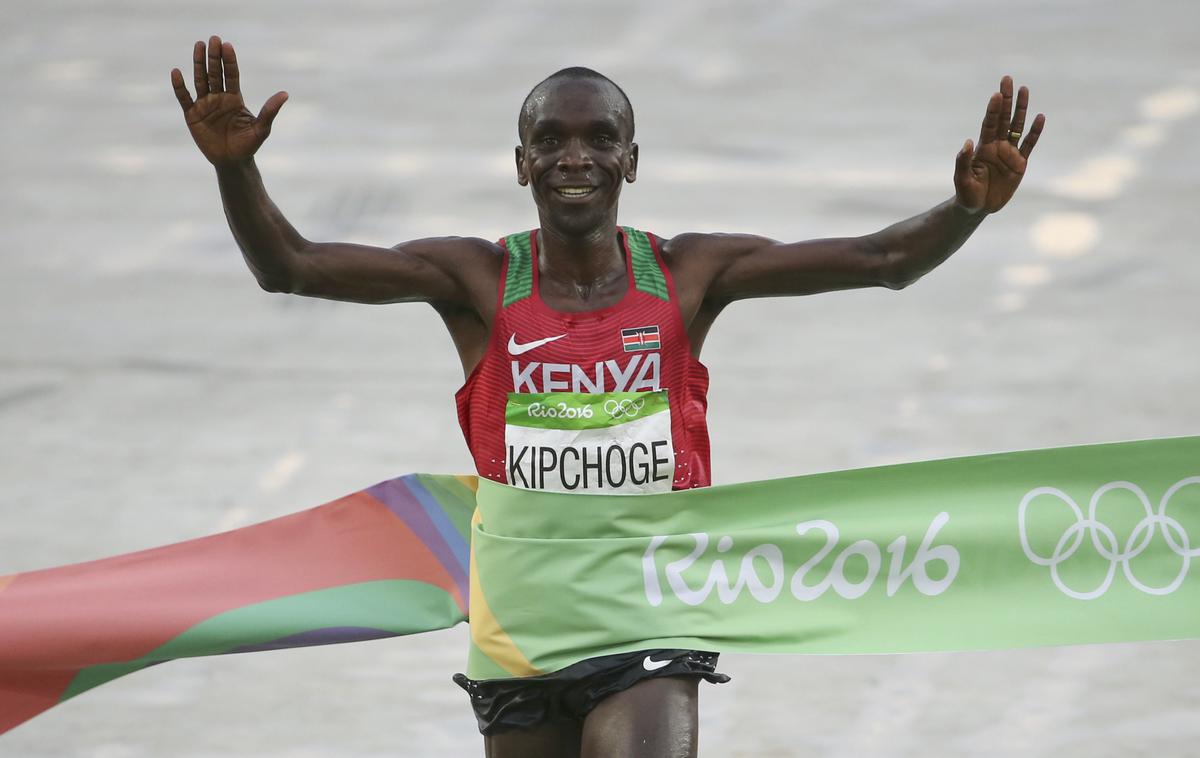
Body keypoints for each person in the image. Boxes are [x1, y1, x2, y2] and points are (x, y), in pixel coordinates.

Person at [170, 34, 1045, 758]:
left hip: (651, 601)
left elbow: (879, 262)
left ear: (633, 157)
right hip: (521, 618)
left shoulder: (687, 273)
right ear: (522, 163)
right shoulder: (476, 278)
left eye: (598, 138)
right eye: (551, 140)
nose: (575, 157)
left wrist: (964, 210)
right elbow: (290, 266)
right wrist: (234, 172)